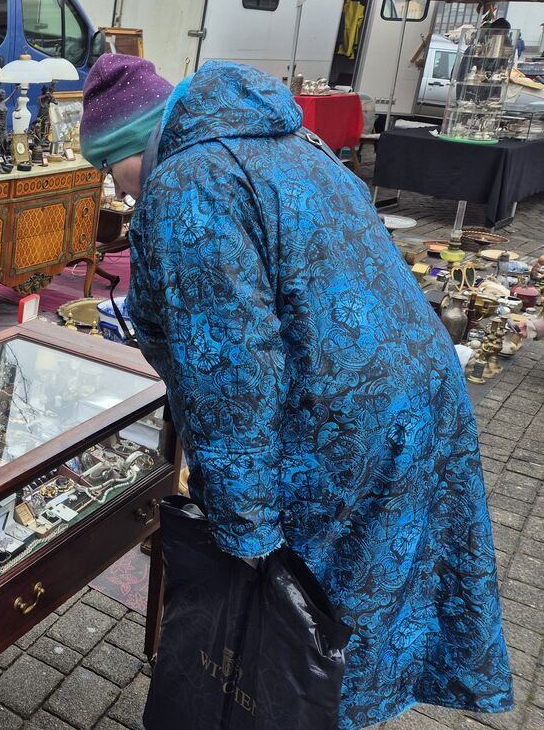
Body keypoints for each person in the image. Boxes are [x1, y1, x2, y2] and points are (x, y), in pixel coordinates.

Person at [79, 55, 513, 730]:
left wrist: (246, 533)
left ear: (138, 142)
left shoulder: (187, 183)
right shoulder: (283, 140)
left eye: (111, 167)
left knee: (295, 626)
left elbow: (230, 371)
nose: (119, 187)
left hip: (344, 427)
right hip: (415, 397)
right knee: (348, 620)